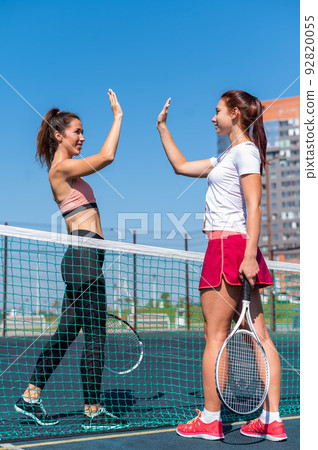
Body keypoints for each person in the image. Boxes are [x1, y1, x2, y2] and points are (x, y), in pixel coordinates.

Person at [156, 90, 287, 442]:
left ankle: (211, 419)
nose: (212, 118)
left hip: (230, 247)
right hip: (238, 248)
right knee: (259, 337)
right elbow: (181, 167)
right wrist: (162, 128)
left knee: (215, 335)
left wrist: (247, 255)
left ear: (235, 113)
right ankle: (272, 420)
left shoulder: (244, 152)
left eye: (217, 111)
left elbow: (255, 205)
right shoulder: (228, 155)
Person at [14, 89, 125, 431]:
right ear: (60, 135)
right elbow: (106, 157)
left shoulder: (71, 171)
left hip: (86, 258)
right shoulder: (60, 169)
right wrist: (118, 117)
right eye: (77, 131)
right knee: (95, 336)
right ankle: (92, 409)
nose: (82, 136)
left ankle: (29, 397)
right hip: (83, 257)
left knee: (65, 335)